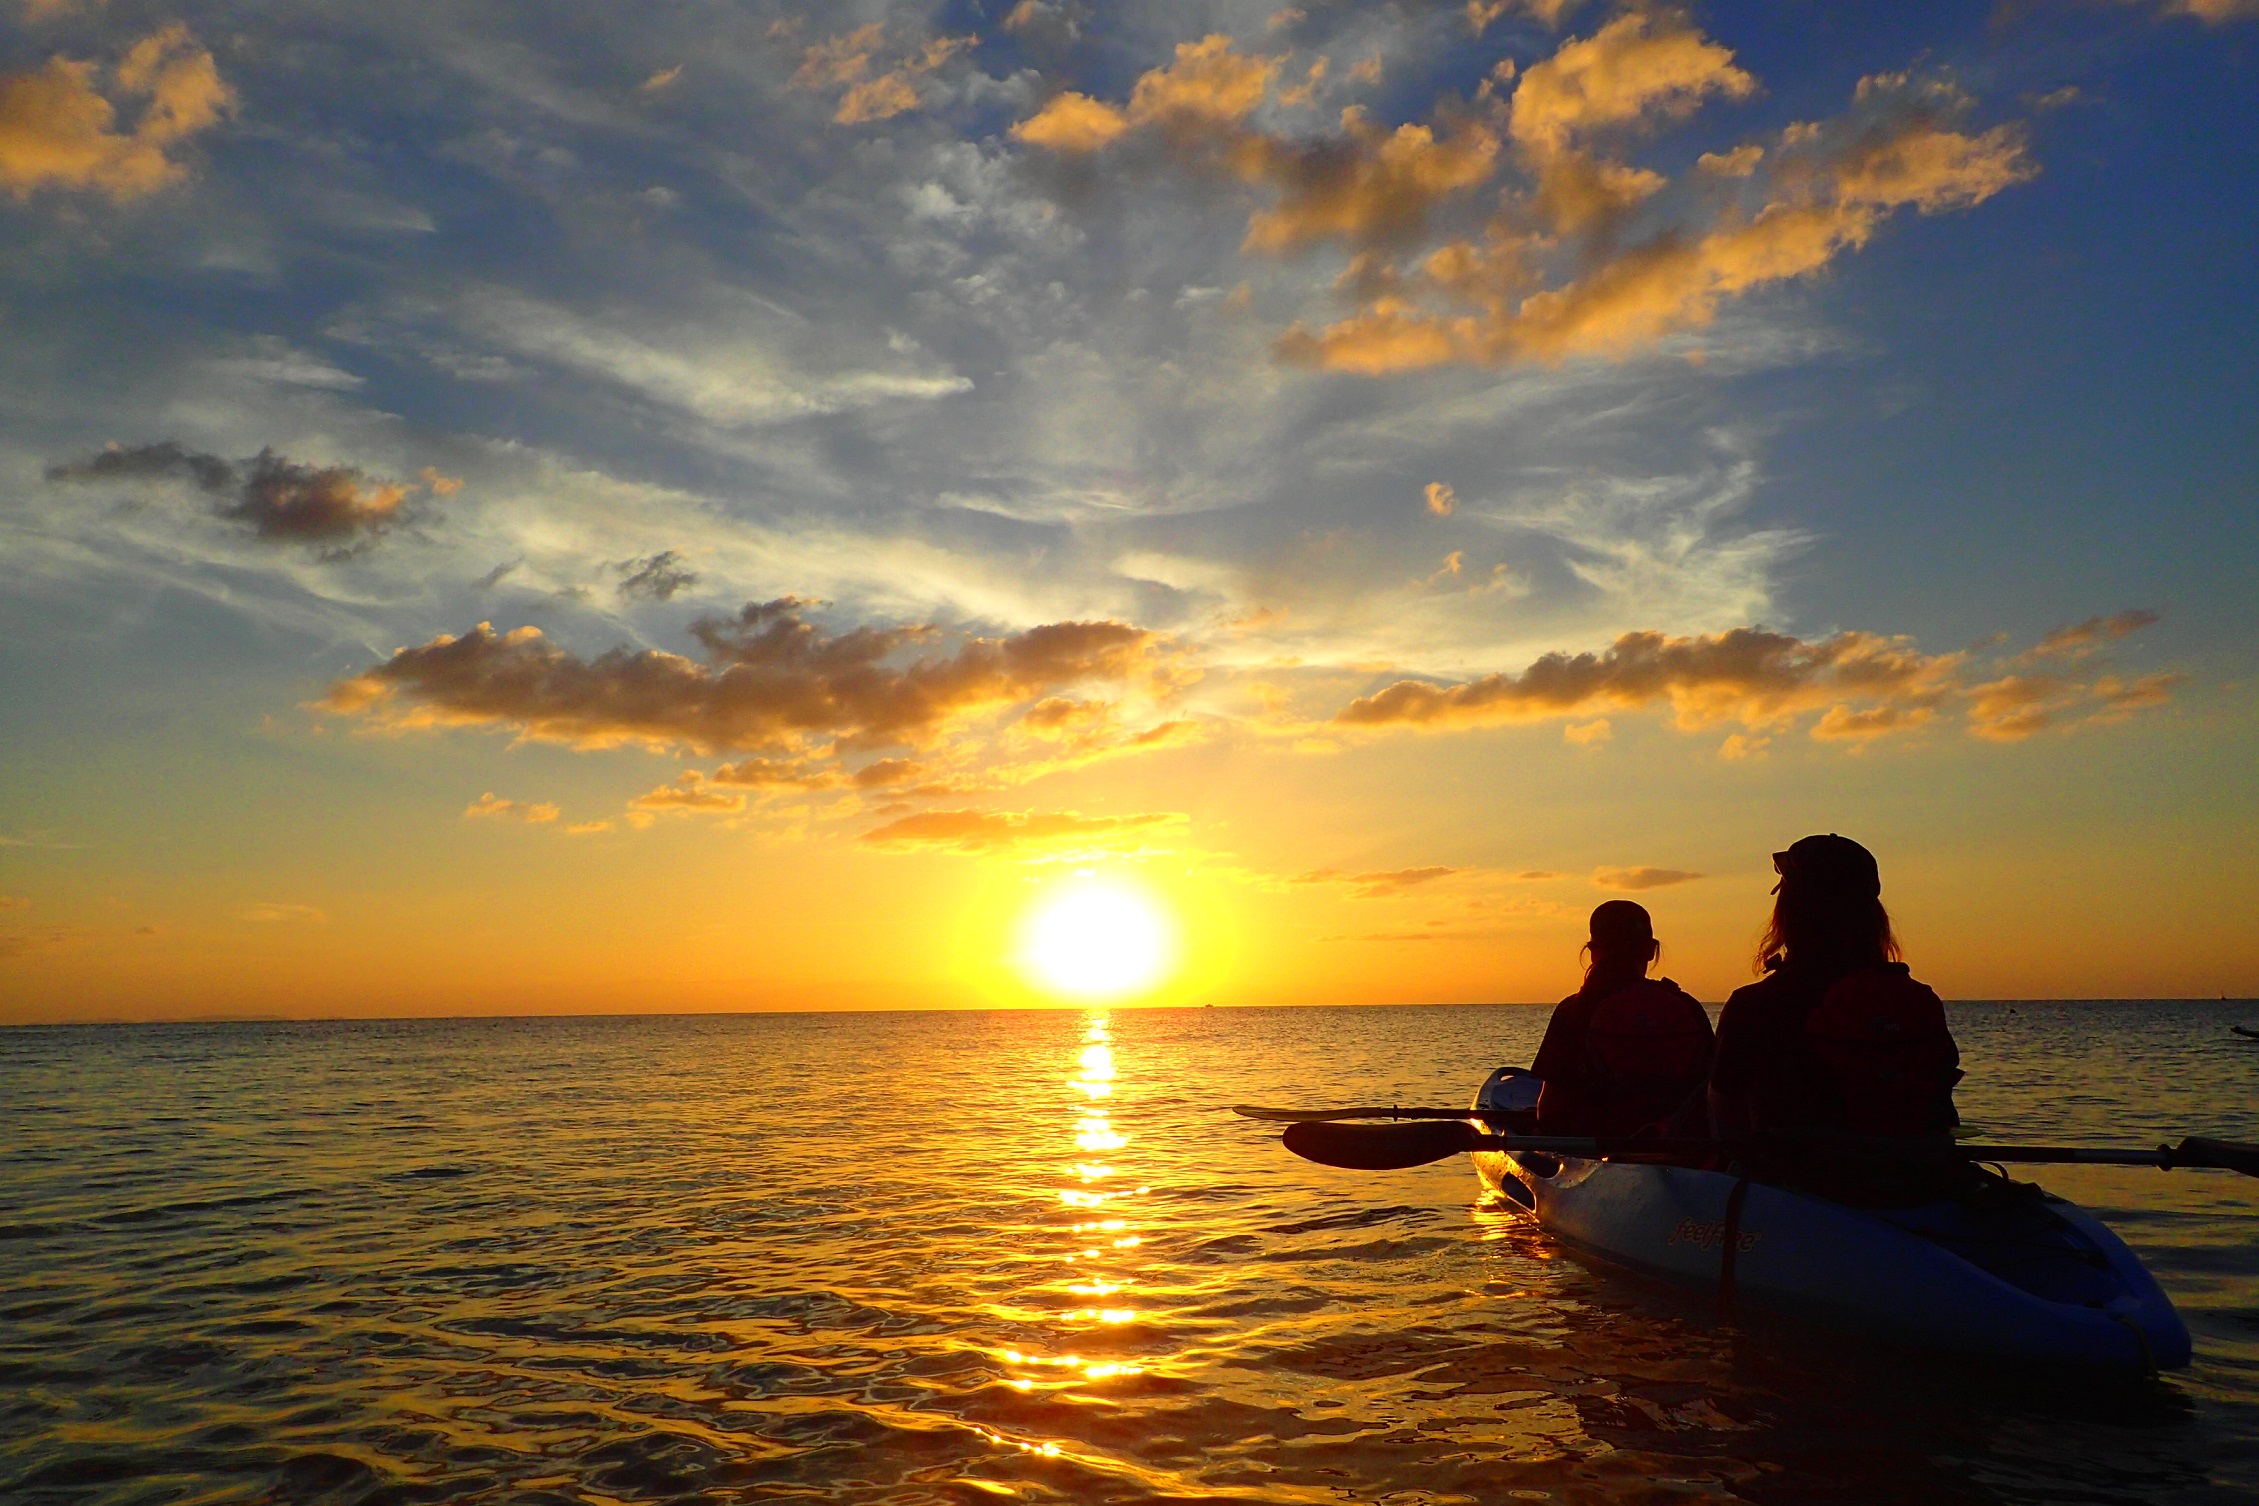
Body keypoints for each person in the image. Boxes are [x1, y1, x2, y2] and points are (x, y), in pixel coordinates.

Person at [1708, 833, 1964, 1202]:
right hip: (1920, 1179)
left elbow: (1725, 1111)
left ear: (1790, 912)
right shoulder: (1917, 1000)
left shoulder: (1756, 1004)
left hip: (1801, 1184)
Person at [1531, 900, 1714, 1137]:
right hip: (1679, 1146)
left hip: (1598, 1147)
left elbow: (1550, 1112)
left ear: (1593, 952)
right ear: (1650, 950)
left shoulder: (1574, 1010)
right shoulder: (1687, 1006)